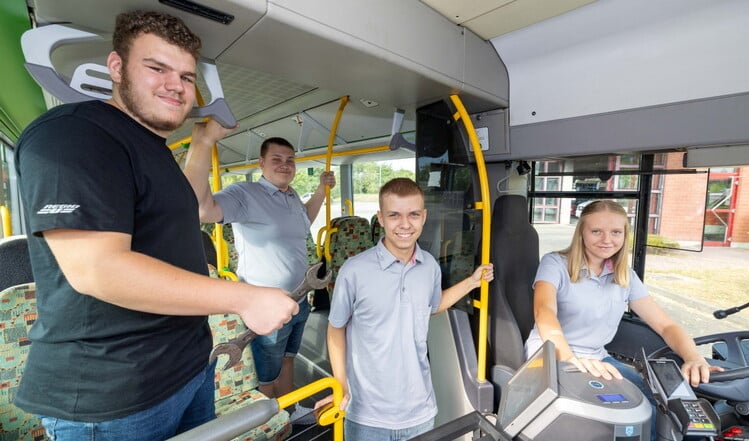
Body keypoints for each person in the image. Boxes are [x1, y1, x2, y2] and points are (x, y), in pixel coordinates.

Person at [13, 10, 298, 441]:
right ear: (116, 66)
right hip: (113, 397)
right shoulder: (74, 136)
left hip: (188, 371)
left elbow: (188, 208)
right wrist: (245, 297)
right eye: (157, 68)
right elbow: (98, 269)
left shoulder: (154, 152)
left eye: (186, 76)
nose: (176, 85)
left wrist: (202, 142)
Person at [525, 199, 722, 440]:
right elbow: (544, 312)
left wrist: (694, 357)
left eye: (616, 232)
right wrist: (571, 360)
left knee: (661, 402)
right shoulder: (554, 263)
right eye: (596, 231)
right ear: (582, 233)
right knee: (637, 411)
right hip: (552, 356)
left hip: (597, 357)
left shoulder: (625, 276)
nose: (606, 239)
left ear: (624, 235)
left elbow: (666, 325)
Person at [184, 123, 335, 421]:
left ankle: (291, 410)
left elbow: (304, 220)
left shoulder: (290, 195)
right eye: (276, 159)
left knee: (289, 358)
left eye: (290, 160)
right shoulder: (246, 193)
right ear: (261, 163)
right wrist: (201, 146)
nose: (285, 165)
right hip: (266, 305)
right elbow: (204, 210)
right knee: (267, 374)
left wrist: (321, 189)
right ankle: (268, 424)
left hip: (299, 298)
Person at [323, 177, 494, 440]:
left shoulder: (430, 267)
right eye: (394, 215)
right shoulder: (354, 271)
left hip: (420, 411)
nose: (405, 224)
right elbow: (336, 330)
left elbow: (433, 305)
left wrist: (472, 282)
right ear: (380, 218)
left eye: (413, 214)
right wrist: (341, 385)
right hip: (366, 414)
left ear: (424, 216)